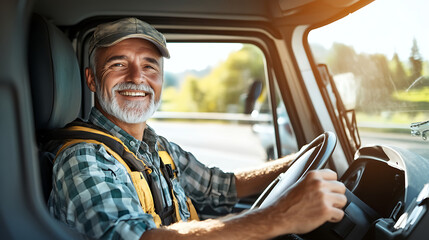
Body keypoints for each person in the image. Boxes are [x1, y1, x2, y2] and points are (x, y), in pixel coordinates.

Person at [48, 17, 347, 240]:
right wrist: (279, 216)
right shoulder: (84, 158)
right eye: (118, 64)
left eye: (150, 66)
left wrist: (301, 159)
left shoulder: (156, 146)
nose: (137, 77)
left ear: (161, 81)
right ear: (91, 79)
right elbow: (140, 238)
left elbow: (220, 186)